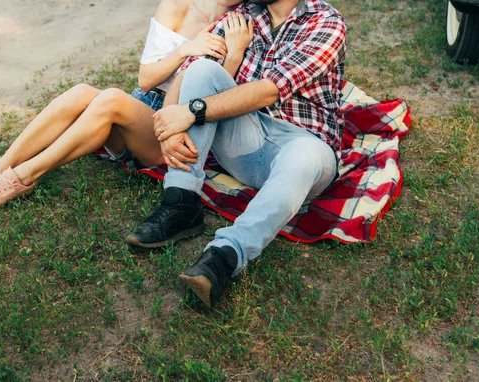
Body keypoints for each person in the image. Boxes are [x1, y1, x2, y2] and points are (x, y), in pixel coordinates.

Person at [127, 0, 347, 308]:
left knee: (305, 156)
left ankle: (224, 256)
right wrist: (170, 127)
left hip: (303, 143)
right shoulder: (240, 17)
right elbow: (188, 78)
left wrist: (192, 112)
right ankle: (181, 202)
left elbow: (272, 89)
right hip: (245, 141)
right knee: (204, 68)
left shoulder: (325, 21)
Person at [0, 0, 249, 214]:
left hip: (175, 131)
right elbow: (144, 80)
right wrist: (185, 49)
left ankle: (21, 177)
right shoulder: (176, 5)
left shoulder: (241, 23)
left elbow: (221, 96)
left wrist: (232, 56)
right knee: (82, 92)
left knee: (111, 98)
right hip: (142, 108)